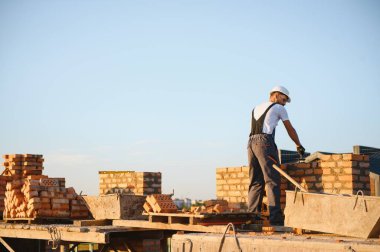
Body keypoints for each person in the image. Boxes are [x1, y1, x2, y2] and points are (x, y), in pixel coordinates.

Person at [247, 85, 305, 226]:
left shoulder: (256, 107)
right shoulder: (279, 108)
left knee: (255, 182)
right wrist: (298, 144)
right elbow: (290, 129)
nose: (284, 103)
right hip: (265, 144)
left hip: (250, 143)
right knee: (272, 181)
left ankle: (252, 217)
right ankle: (276, 220)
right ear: (276, 95)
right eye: (284, 99)